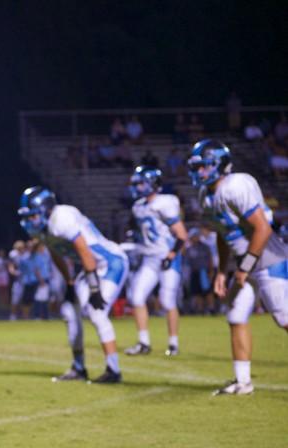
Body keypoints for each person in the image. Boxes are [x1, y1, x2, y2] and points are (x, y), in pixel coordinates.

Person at [187, 139, 288, 394]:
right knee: (235, 316)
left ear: (219, 165)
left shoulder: (234, 186)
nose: (199, 172)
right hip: (248, 264)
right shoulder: (206, 196)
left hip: (268, 259)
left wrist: (244, 268)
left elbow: (262, 228)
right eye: (197, 167)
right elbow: (223, 233)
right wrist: (222, 270)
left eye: (204, 166)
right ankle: (243, 382)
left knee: (284, 318)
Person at [18, 186, 128, 383]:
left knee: (96, 312)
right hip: (89, 268)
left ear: (46, 209)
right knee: (69, 312)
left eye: (33, 216)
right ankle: (78, 368)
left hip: (110, 262)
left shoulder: (61, 217)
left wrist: (94, 288)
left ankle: (114, 370)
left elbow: (83, 249)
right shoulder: (43, 229)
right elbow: (56, 253)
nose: (29, 221)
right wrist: (69, 281)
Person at [124, 166, 189, 356]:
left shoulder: (166, 202)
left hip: (167, 257)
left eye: (141, 182)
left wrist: (172, 255)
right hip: (149, 258)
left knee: (167, 301)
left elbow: (182, 235)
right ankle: (143, 342)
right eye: (136, 183)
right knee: (136, 297)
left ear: (153, 183)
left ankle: (173, 343)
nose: (137, 186)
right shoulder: (138, 206)